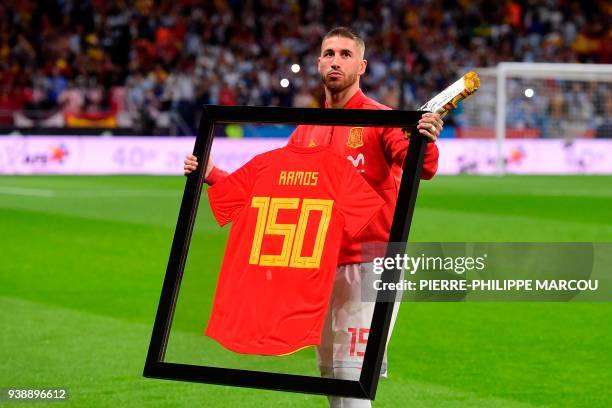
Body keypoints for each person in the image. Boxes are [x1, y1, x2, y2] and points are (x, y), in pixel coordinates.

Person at [185, 27, 443, 407]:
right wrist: (211, 173)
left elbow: (421, 167)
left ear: (361, 65)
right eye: (328, 53)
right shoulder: (307, 128)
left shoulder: (382, 119)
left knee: (351, 381)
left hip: (372, 264)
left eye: (344, 54)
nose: (335, 60)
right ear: (319, 63)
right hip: (321, 267)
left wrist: (425, 138)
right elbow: (276, 190)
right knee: (331, 382)